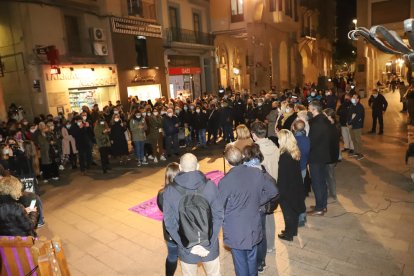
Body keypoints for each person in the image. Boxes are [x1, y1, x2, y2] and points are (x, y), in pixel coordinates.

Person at [219, 145, 278, 276]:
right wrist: (258, 200)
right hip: (253, 225)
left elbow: (219, 207)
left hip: (236, 229)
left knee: (240, 263)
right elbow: (273, 191)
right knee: (252, 259)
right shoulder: (256, 172)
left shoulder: (225, 181)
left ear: (227, 162)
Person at [163, 153, 223, 276]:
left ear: (180, 167)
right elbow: (219, 216)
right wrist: (209, 243)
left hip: (186, 248)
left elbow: (169, 224)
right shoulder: (210, 186)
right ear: (198, 166)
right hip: (209, 246)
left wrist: (187, 246)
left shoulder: (170, 191)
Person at [250, 121, 280, 266]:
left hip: (262, 189)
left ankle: (264, 246)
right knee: (270, 216)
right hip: (274, 186)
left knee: (261, 221)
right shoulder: (274, 146)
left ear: (254, 135)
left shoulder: (256, 150)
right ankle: (271, 245)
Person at [276, 130, 306, 241]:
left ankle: (288, 234)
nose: (278, 140)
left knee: (287, 212)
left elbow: (283, 177)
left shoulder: (284, 156)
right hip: (295, 186)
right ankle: (292, 230)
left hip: (287, 189)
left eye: (279, 138)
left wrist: (280, 192)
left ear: (283, 140)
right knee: (293, 212)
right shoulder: (294, 151)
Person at [307, 100, 331, 216]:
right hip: (323, 155)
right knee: (322, 181)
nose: (308, 110)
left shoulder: (317, 124)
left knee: (317, 182)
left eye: (309, 108)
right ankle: (323, 204)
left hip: (316, 157)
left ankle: (319, 208)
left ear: (314, 109)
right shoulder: (324, 119)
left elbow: (312, 142)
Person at [157, 162, 180, 276]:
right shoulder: (185, 191)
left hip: (169, 230)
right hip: (183, 229)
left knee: (172, 255)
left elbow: (162, 209)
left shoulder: (161, 193)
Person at [292, 120, 310, 226]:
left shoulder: (293, 140)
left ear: (294, 128)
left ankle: (300, 217)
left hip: (295, 170)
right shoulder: (307, 139)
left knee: (295, 194)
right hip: (303, 168)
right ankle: (302, 214)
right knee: (300, 192)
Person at [323, 109, 340, 201]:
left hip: (330, 155)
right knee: (329, 175)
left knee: (330, 175)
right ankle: (331, 192)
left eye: (324, 115)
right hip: (331, 155)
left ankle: (333, 194)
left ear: (329, 117)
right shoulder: (332, 126)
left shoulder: (332, 127)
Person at [347, 94, 365, 160]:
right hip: (351, 125)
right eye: (352, 97)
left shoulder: (360, 107)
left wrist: (350, 123)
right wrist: (348, 122)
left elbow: (357, 117)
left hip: (357, 125)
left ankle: (360, 153)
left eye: (354, 97)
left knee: (358, 140)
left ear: (358, 99)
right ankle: (356, 152)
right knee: (353, 139)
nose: (352, 98)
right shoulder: (352, 106)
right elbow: (349, 115)